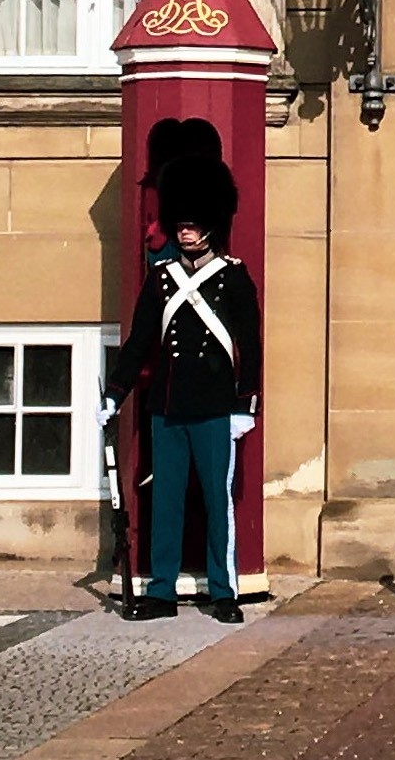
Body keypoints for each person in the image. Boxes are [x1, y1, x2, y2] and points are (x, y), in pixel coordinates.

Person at [101, 154, 262, 623]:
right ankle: (162, 590)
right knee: (166, 501)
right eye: (182, 225)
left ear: (210, 225)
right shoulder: (161, 279)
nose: (186, 232)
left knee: (217, 501)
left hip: (215, 408)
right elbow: (138, 343)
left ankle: (223, 589)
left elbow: (249, 345)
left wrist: (244, 404)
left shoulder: (233, 278)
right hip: (167, 408)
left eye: (193, 225)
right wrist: (116, 393)